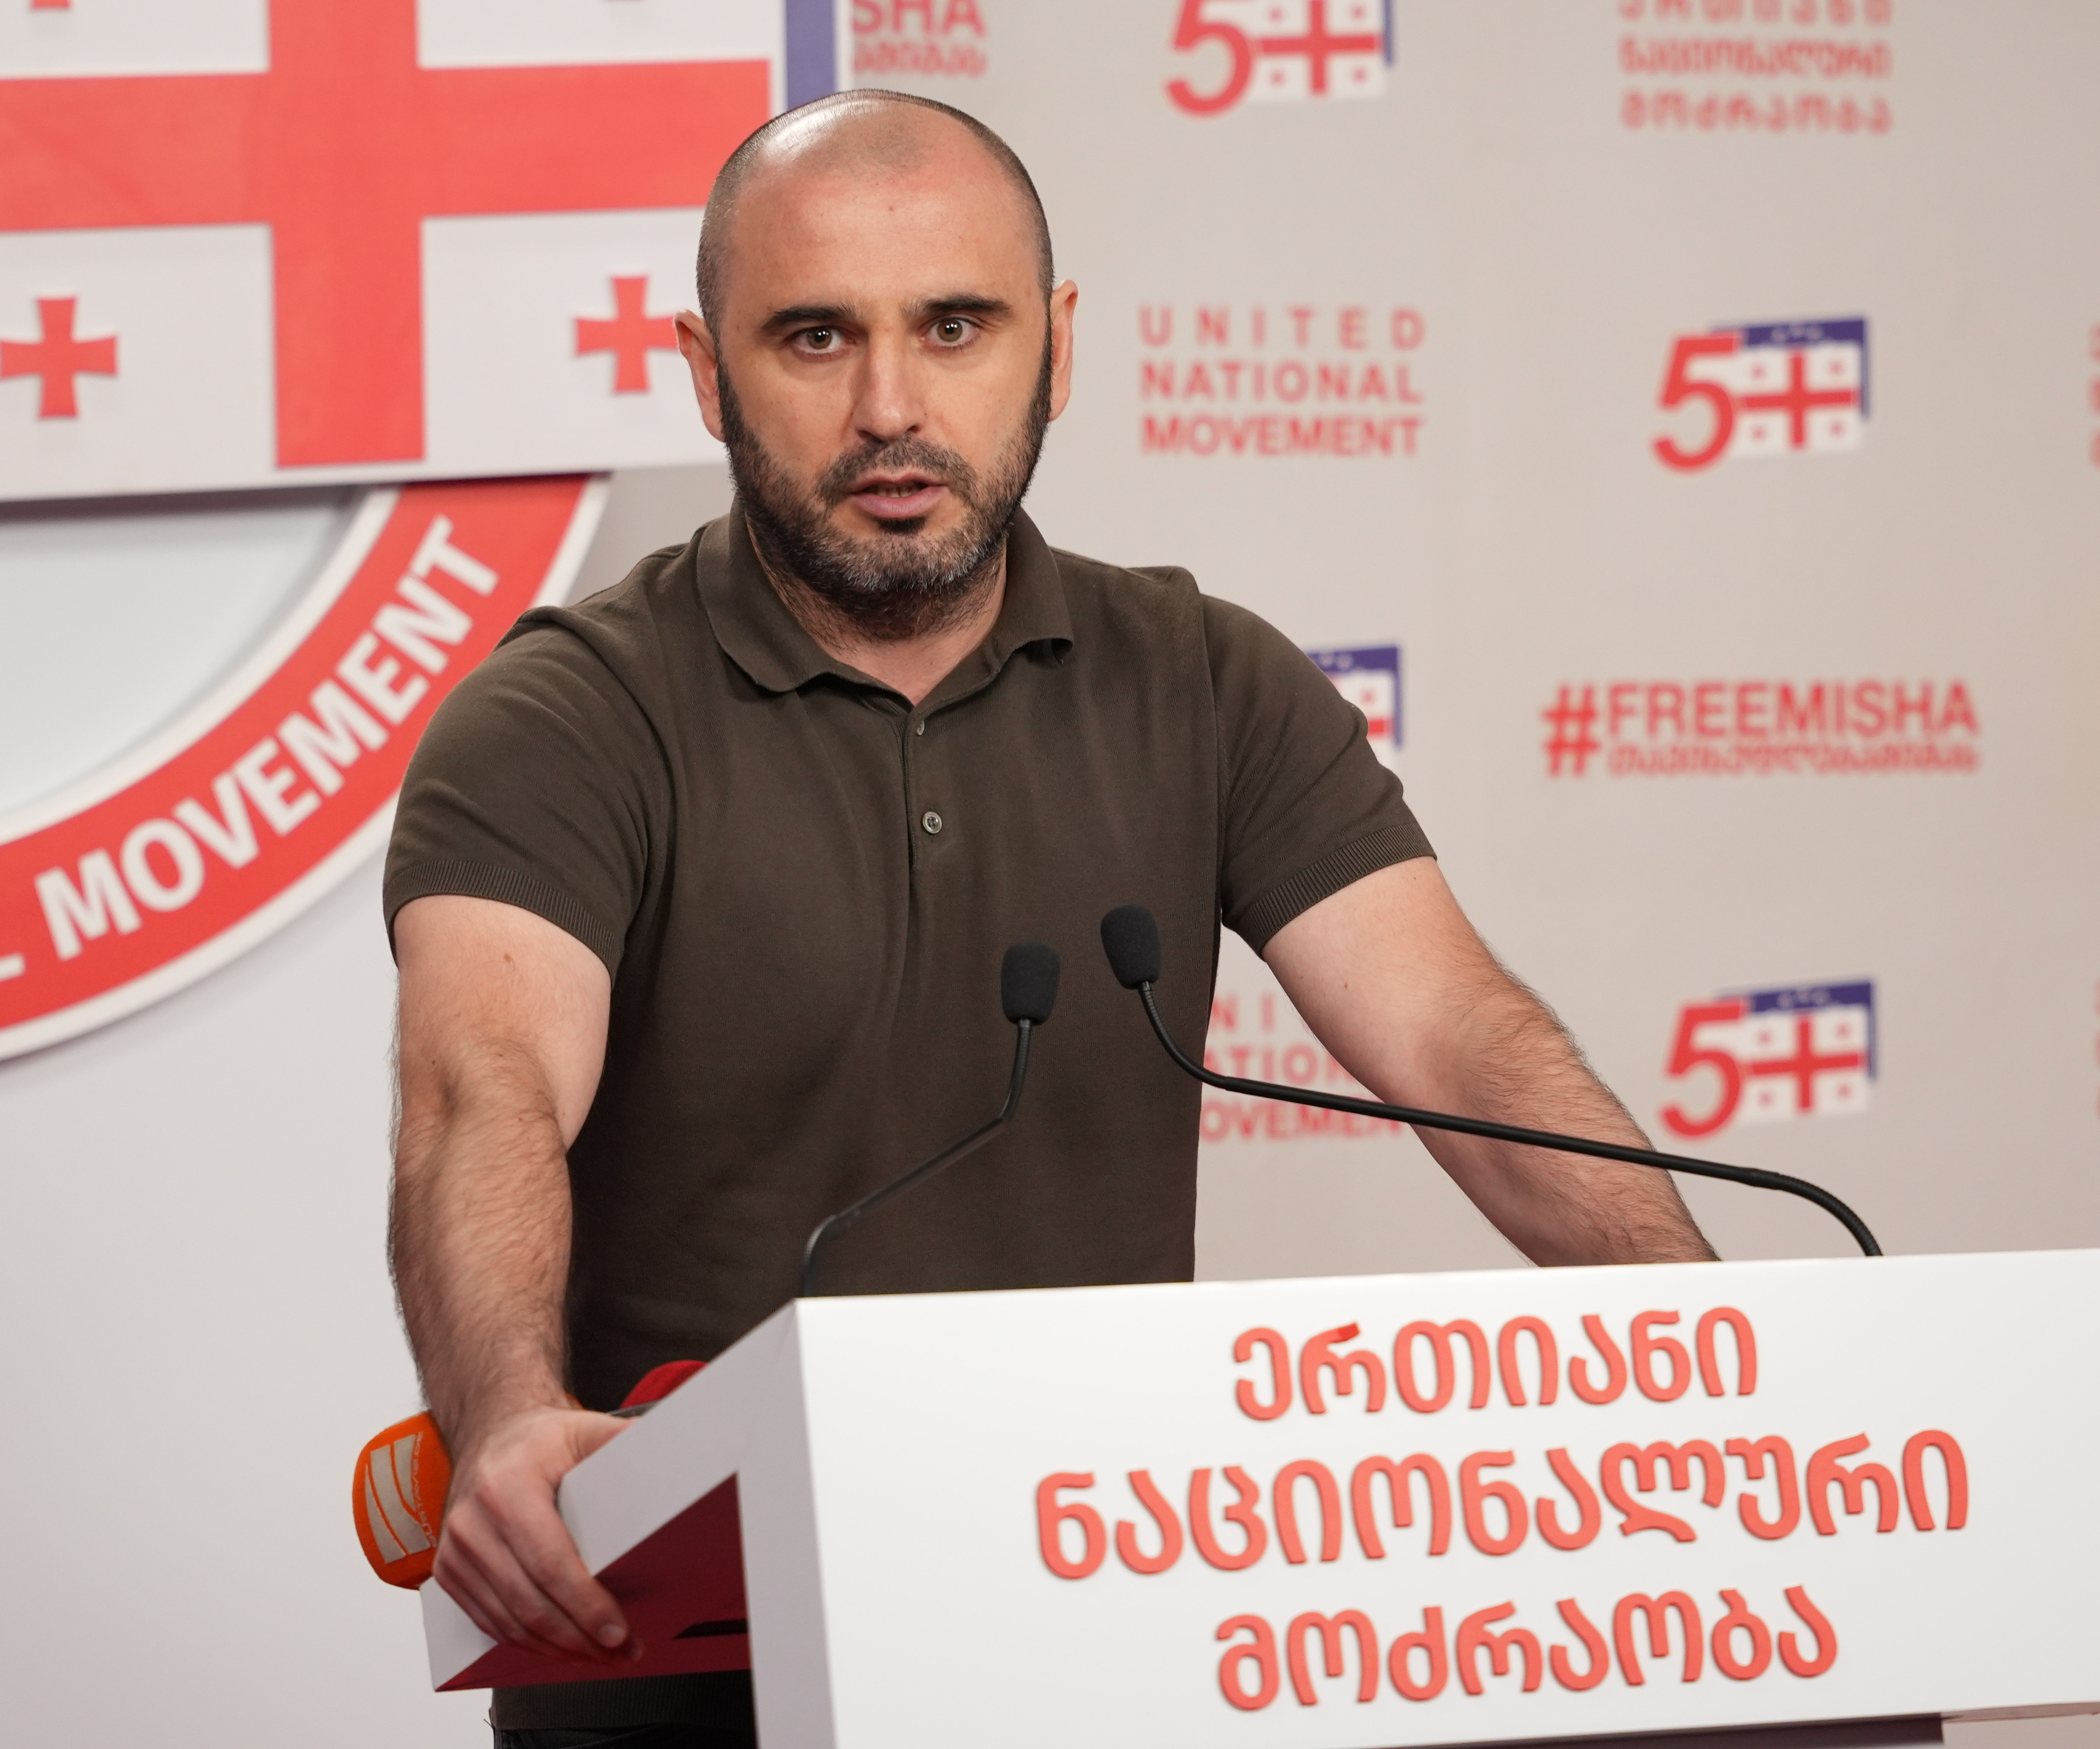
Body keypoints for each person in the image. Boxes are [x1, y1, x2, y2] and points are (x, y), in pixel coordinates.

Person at [382, 90, 1714, 1746]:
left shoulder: (1208, 681)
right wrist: (507, 1414)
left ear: (1058, 346)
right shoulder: (565, 715)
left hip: (1104, 1639)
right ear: (708, 373)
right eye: (815, 336)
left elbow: (1460, 1041)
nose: (891, 407)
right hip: (703, 1662)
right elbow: (481, 1093)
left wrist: (1729, 1354)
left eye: (956, 327)